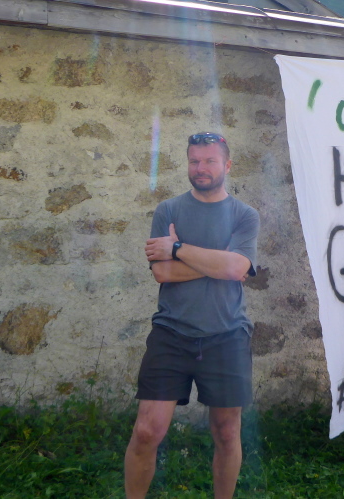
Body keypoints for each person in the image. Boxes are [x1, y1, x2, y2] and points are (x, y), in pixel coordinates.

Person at [124, 132, 259, 499]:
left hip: (227, 335)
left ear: (227, 165)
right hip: (171, 333)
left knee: (227, 431)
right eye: (194, 161)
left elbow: (237, 268)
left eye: (209, 161)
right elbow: (162, 273)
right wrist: (220, 262)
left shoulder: (244, 215)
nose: (201, 168)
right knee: (147, 431)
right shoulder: (168, 210)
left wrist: (177, 248)